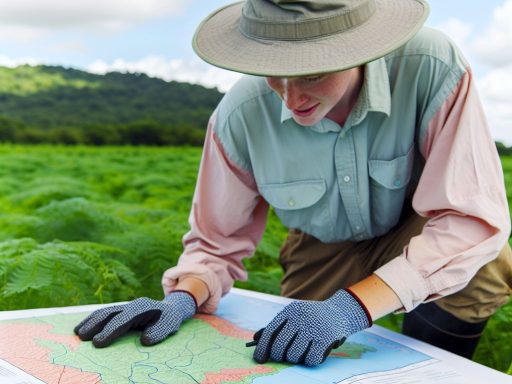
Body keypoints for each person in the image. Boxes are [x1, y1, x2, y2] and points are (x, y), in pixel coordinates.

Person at [74, 0, 512, 367]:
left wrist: (351, 308)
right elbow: (215, 244)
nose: (290, 96)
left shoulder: (430, 67)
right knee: (288, 354)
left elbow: (470, 219)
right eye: (274, 71)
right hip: (321, 246)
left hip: (415, 227)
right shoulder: (240, 116)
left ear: (361, 51)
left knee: (486, 266)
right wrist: (183, 298)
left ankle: (435, 367)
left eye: (311, 73)